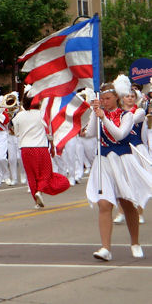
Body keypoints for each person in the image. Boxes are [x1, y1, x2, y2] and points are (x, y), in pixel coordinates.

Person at [86, 81, 152, 261]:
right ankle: (105, 248)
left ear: (116, 97)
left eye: (107, 98)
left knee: (127, 203)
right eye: (102, 99)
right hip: (103, 161)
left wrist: (103, 117)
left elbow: (119, 135)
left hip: (122, 161)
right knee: (104, 204)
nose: (105, 102)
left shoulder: (127, 116)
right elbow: (91, 133)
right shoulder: (99, 114)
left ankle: (135, 243)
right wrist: (95, 114)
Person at [12, 95, 70, 208]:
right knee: (45, 174)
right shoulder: (43, 115)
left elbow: (16, 133)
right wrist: (52, 147)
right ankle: (40, 191)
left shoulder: (19, 116)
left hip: (25, 149)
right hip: (41, 148)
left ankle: (36, 201)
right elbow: (49, 133)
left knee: (31, 175)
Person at [112, 75, 149, 225]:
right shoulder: (117, 113)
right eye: (127, 96)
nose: (130, 98)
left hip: (137, 149)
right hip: (123, 150)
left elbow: (143, 135)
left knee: (137, 182)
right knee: (123, 182)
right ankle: (122, 212)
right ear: (122, 98)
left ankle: (139, 213)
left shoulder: (138, 112)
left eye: (132, 96)